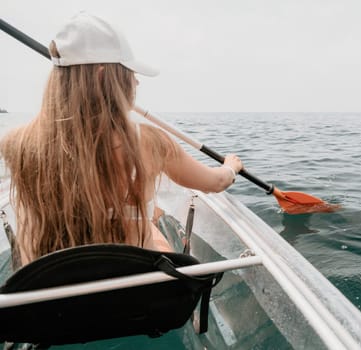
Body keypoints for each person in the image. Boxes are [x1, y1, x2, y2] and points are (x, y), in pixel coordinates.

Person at [0, 12, 243, 266]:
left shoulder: (17, 145)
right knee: (151, 226)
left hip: (54, 299)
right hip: (133, 297)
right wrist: (230, 166)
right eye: (129, 73)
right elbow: (215, 182)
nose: (136, 81)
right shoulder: (149, 143)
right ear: (103, 76)